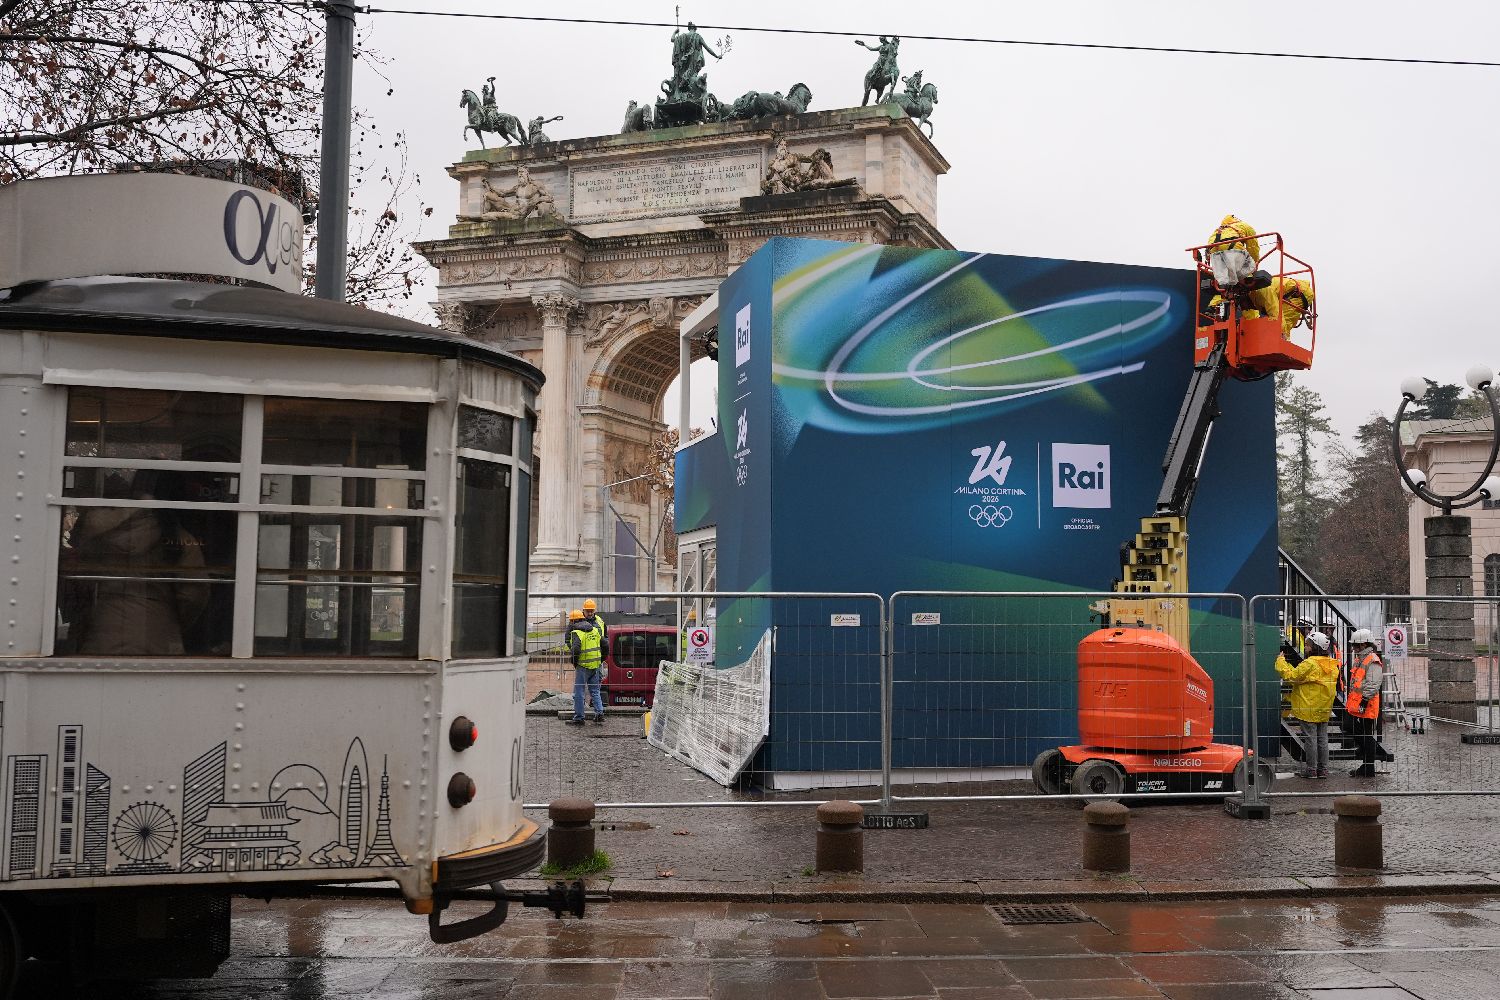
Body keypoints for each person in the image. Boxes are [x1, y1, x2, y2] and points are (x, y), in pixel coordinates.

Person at [1275, 631, 1340, 779]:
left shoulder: (1310, 664)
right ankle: (1323, 769)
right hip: (1324, 708)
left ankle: (1311, 770)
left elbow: (1292, 676)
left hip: (1308, 707)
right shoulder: (1332, 665)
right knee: (1322, 739)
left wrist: (1280, 661)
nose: (1305, 647)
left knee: (1310, 739)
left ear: (1315, 647)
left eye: (1308, 645)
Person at [1345, 628, 1385, 777]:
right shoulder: (1361, 659)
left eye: (1355, 645)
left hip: (1366, 704)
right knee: (1352, 727)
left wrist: (1365, 700)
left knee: (1366, 735)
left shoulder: (1372, 660)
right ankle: (1366, 758)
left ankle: (1368, 767)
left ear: (1364, 644)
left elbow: (1373, 683)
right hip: (1357, 703)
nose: (1353, 648)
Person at [566, 608, 605, 726]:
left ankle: (579, 717)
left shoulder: (577, 633)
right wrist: (600, 659)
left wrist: (574, 663)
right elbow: (605, 644)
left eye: (570, 621)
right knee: (595, 691)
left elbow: (575, 650)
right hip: (595, 665)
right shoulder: (594, 630)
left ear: (573, 621)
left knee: (579, 692)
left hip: (583, 666)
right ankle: (599, 713)